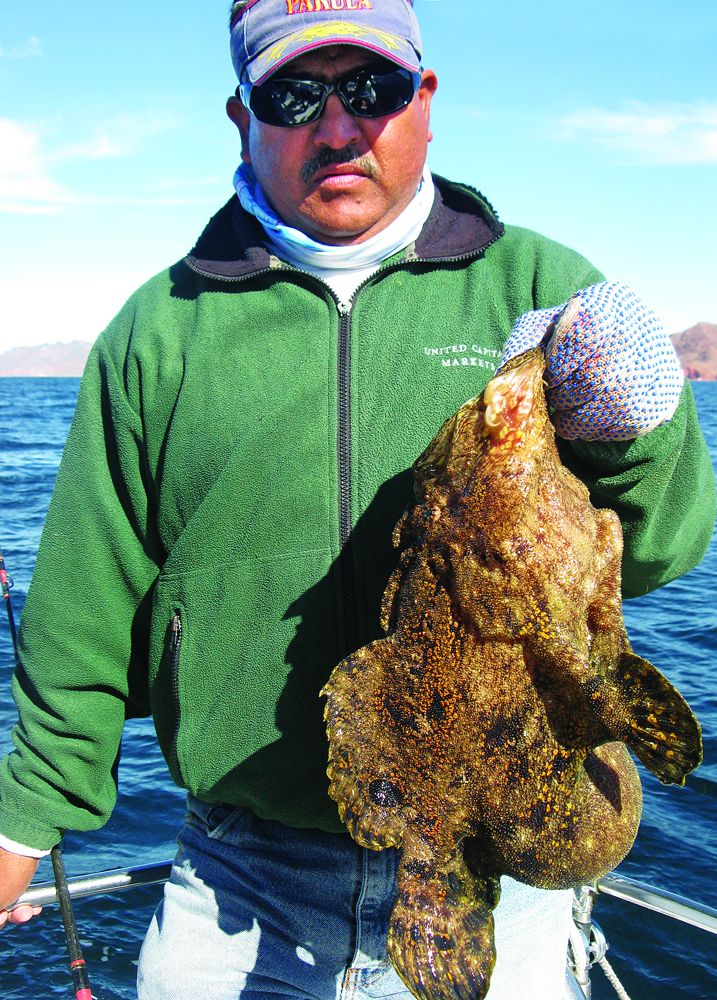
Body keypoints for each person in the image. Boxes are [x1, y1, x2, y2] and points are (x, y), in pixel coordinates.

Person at [0, 1, 714, 997]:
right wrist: (24, 815)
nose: (338, 127)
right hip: (241, 873)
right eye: (295, 93)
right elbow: (83, 607)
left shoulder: (544, 287)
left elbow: (665, 545)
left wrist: (635, 430)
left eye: (370, 89)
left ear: (424, 100)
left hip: (505, 854)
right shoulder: (157, 333)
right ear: (242, 119)